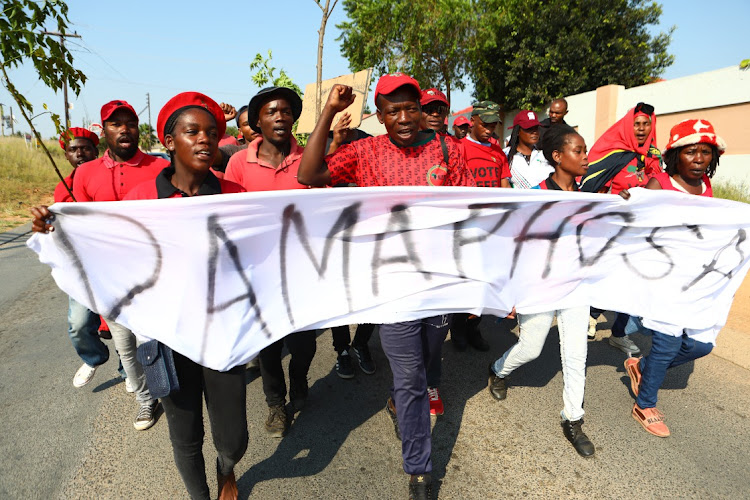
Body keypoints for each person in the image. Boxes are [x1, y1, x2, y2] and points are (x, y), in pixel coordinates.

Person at [297, 73, 475, 500]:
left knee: (431, 359)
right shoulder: (364, 151)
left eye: (411, 107)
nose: (404, 117)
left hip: (438, 283)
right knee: (410, 374)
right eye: (393, 110)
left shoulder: (447, 149)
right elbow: (308, 173)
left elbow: (471, 211)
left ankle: (401, 400)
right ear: (379, 116)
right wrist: (329, 112)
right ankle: (419, 469)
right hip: (390, 285)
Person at [123, 91, 246, 500]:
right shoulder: (140, 199)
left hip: (223, 333)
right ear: (170, 140)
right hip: (167, 337)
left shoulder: (236, 197)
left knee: (234, 439)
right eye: (192, 131)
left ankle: (226, 469)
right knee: (185, 434)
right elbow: (112, 255)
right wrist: (57, 227)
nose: (205, 140)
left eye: (212, 132)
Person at [31, 100, 167, 431]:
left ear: (138, 129)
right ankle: (145, 401)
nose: (124, 129)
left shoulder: (160, 167)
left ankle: (171, 394)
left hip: (153, 276)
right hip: (107, 279)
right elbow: (78, 227)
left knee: (155, 340)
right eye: (115, 123)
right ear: (104, 130)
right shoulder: (86, 174)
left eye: (130, 123)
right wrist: (48, 226)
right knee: (125, 345)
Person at [488, 124, 595, 458]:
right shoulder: (534, 195)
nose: (585, 157)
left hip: (576, 287)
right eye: (578, 151)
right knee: (531, 348)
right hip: (539, 286)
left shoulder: (591, 196)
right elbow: (514, 245)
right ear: (558, 156)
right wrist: (509, 292)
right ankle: (498, 371)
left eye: (585, 150)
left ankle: (573, 419)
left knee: (576, 356)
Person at [623, 119, 726, 438]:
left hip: (694, 280)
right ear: (675, 155)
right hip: (663, 280)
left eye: (705, 152)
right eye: (691, 151)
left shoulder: (705, 186)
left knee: (701, 344)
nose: (699, 158)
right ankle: (645, 403)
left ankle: (641, 367)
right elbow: (634, 226)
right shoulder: (660, 185)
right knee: (667, 345)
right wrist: (630, 204)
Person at [225, 87, 317, 438]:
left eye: (285, 111)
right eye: (270, 112)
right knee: (267, 346)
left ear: (293, 118)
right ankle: (276, 404)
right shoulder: (237, 163)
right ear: (257, 120)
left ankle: (299, 378)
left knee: (304, 344)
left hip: (302, 270)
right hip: (257, 273)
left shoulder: (307, 157)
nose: (279, 117)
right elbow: (229, 217)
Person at [581, 102, 663, 356]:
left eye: (645, 124)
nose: (641, 129)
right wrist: (616, 198)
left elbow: (661, 185)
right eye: (636, 124)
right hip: (611, 229)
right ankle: (592, 313)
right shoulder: (612, 151)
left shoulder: (655, 155)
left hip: (640, 231)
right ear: (629, 125)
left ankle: (618, 334)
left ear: (652, 126)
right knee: (608, 274)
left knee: (632, 281)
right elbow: (590, 185)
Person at [450, 101, 510, 354]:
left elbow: (505, 186)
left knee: (486, 281)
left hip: (490, 228)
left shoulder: (499, 153)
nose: (489, 128)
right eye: (484, 123)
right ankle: (458, 329)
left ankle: (474, 329)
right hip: (464, 227)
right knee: (463, 281)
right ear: (472, 121)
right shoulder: (457, 148)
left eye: (493, 124)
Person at [505, 110, 554, 189]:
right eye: (529, 128)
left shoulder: (544, 155)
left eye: (536, 128)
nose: (534, 132)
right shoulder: (505, 155)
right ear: (518, 131)